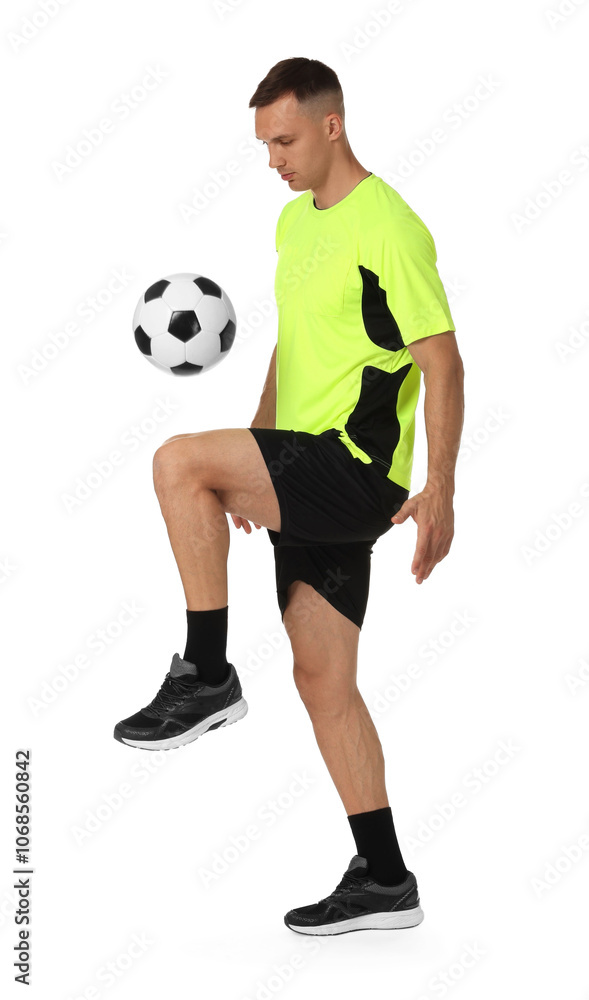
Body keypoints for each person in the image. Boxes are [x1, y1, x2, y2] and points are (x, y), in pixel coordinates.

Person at [113, 56, 464, 936]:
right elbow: (295, 342)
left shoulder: (389, 225)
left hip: (351, 468)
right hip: (303, 463)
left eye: (283, 140)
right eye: (263, 144)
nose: (271, 159)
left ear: (330, 125)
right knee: (323, 682)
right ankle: (385, 880)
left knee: (175, 461)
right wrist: (255, 443)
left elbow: (442, 362)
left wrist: (441, 489)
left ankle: (205, 672)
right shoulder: (293, 222)